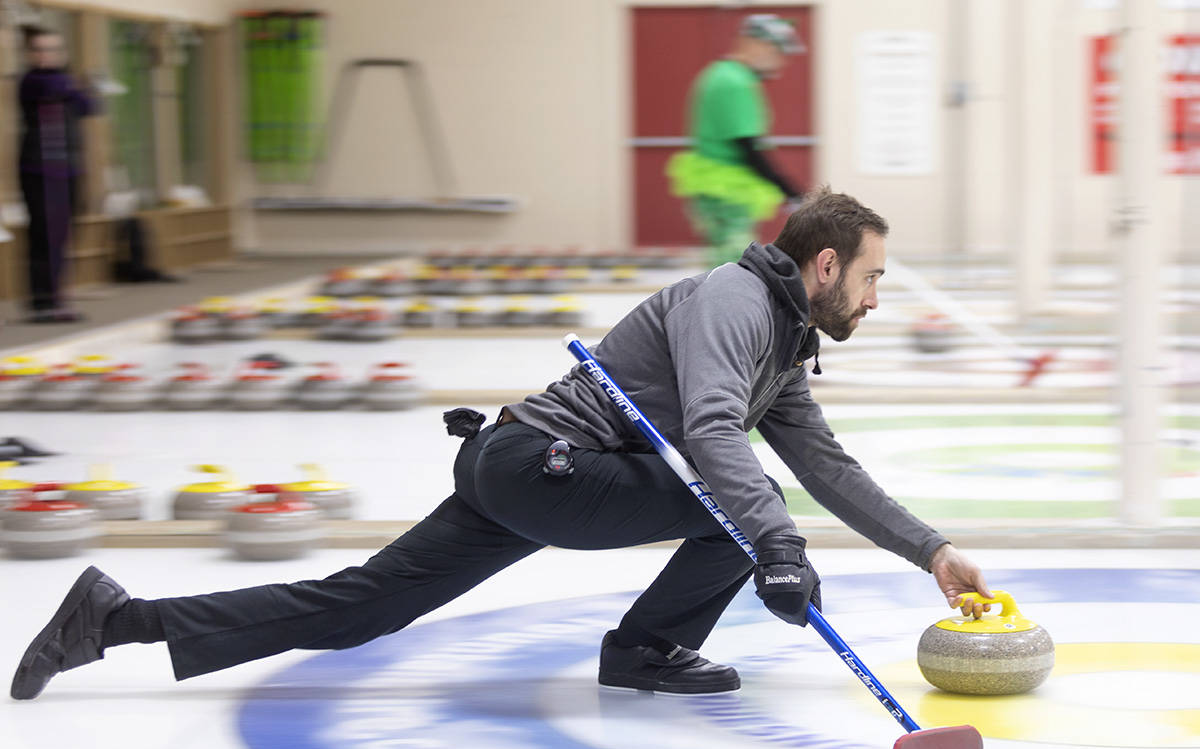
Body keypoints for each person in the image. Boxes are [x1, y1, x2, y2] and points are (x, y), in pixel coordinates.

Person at [11, 187, 993, 701]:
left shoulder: (784, 343)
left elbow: (826, 466)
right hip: (541, 463)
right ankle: (647, 647)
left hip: (526, 464)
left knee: (361, 608)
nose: (876, 296)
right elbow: (706, 435)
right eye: (870, 277)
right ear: (824, 263)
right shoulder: (737, 301)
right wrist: (773, 542)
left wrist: (931, 550)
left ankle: (111, 618)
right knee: (738, 511)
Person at [668, 13, 808, 267]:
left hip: (716, 185)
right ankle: (721, 306)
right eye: (778, 52)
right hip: (726, 189)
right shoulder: (735, 82)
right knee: (731, 264)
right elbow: (749, 147)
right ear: (756, 44)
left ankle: (721, 303)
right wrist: (789, 190)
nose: (781, 62)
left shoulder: (721, 74)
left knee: (727, 258)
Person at [17, 25, 98, 323]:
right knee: (44, 234)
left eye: (51, 49)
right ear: (30, 53)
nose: (44, 55)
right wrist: (77, 83)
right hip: (39, 169)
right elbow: (56, 88)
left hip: (67, 168)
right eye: (39, 49)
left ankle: (57, 296)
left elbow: (90, 106)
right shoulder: (30, 81)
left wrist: (79, 87)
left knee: (64, 234)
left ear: (61, 53)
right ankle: (43, 301)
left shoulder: (64, 82)